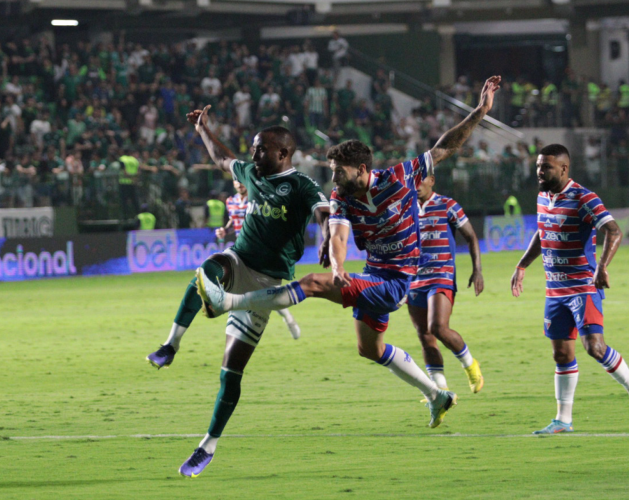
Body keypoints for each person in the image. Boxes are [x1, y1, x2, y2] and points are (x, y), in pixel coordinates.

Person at [198, 76, 502, 431]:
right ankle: (438, 396)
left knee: (311, 283)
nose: (334, 179)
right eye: (331, 172)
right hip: (373, 276)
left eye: (338, 172)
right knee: (369, 349)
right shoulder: (342, 197)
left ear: (361, 170)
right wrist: (340, 264)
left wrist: (480, 111)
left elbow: (444, 146)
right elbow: (339, 236)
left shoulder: (400, 177)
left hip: (398, 281)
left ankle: (228, 303)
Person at [146, 105, 330, 477]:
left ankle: (207, 445)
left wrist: (326, 239)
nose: (253, 154)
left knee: (230, 373)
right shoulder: (250, 172)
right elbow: (222, 158)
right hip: (239, 259)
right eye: (253, 147)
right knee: (205, 271)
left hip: (267, 281)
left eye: (261, 149)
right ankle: (170, 345)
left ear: (283, 153)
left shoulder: (301, 185)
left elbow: (324, 212)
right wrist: (203, 130)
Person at [510, 143, 629, 435]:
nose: (539, 171)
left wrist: (601, 266)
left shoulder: (583, 197)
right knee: (561, 354)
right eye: (538, 166)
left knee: (594, 347)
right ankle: (563, 420)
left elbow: (613, 230)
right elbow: (542, 232)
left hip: (582, 286)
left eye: (546, 166)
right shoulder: (542, 197)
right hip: (555, 289)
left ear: (564, 168)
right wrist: (522, 265)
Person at [407, 172, 485, 399]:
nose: (416, 186)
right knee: (424, 335)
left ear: (432, 180)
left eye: (421, 180)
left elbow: (471, 236)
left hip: (442, 275)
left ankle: (470, 365)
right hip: (415, 280)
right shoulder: (406, 209)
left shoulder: (447, 205)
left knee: (438, 327)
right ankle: (441, 394)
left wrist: (477, 269)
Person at [215, 180, 302, 340]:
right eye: (236, 181)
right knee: (245, 290)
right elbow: (233, 220)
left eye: (242, 181)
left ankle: (286, 318)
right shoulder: (230, 201)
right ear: (233, 183)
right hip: (241, 251)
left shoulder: (257, 200)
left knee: (260, 290)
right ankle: (245, 326)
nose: (239, 184)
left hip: (259, 249)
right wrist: (225, 230)